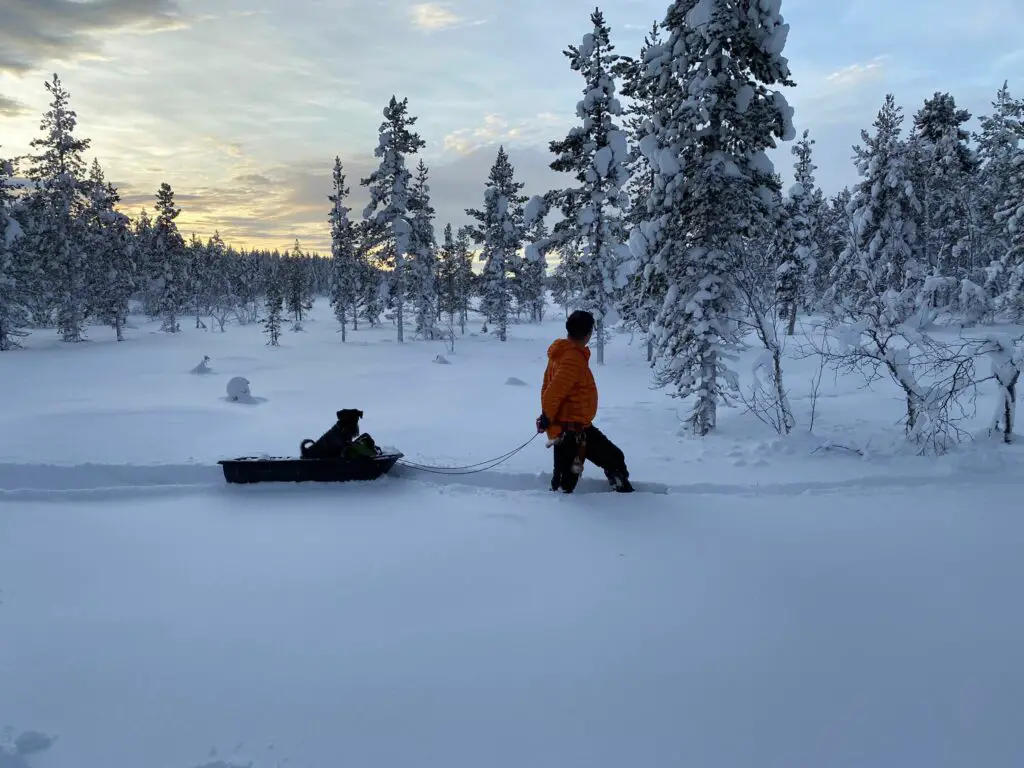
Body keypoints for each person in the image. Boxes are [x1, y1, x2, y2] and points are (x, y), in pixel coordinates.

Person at [536, 310, 633, 493]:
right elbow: (552, 393)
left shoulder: (564, 353)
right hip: (570, 430)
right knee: (567, 482)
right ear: (588, 333)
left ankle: (619, 488)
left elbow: (547, 386)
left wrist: (547, 416)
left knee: (612, 459)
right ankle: (622, 497)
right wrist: (548, 417)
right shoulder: (572, 358)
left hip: (575, 426)